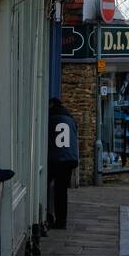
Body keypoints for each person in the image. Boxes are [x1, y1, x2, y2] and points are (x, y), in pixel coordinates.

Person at [48, 98, 79, 230]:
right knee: (62, 191)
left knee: (46, 185)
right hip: (69, 158)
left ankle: (48, 215)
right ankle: (62, 221)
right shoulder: (70, 118)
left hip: (55, 156)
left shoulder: (50, 116)